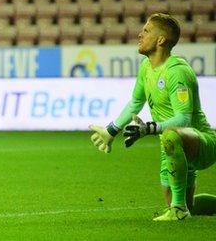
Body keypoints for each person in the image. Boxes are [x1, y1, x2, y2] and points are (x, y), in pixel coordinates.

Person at [89, 13, 216, 221]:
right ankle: (183, 207)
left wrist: (148, 128)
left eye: (146, 31)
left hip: (201, 141)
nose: (140, 35)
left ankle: (179, 210)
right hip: (172, 146)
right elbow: (135, 103)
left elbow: (183, 119)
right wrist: (111, 130)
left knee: (170, 136)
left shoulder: (177, 72)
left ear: (161, 40)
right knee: (186, 200)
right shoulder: (146, 67)